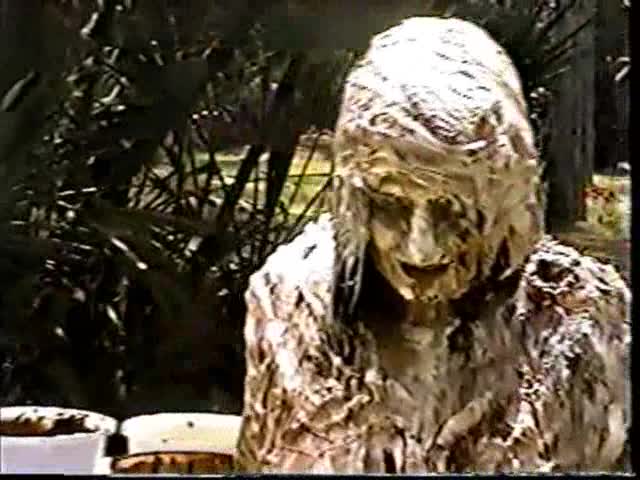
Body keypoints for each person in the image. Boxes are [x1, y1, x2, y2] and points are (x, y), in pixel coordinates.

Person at [235, 17, 630, 473]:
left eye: (452, 211)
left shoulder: (579, 317)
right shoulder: (290, 305)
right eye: (390, 206)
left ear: (505, 197)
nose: (420, 250)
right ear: (355, 198)